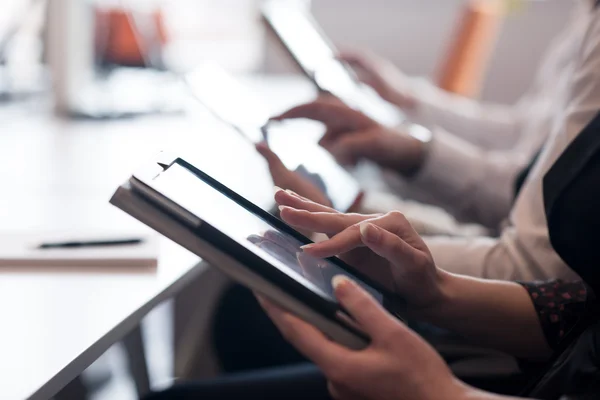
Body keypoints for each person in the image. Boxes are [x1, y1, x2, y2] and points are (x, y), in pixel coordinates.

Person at [145, 108, 600, 398]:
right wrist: (439, 293)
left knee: (235, 329)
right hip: (542, 357)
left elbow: (535, 257)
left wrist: (437, 394)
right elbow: (584, 309)